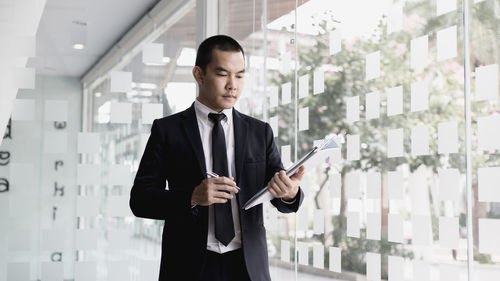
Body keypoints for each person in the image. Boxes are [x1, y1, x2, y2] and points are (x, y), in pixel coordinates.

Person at [130, 34, 305, 281]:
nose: (233, 85)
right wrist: (191, 197)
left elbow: (279, 192)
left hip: (248, 267)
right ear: (199, 75)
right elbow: (140, 200)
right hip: (188, 266)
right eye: (223, 74)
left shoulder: (260, 131)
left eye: (240, 75)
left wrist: (289, 193)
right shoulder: (167, 130)